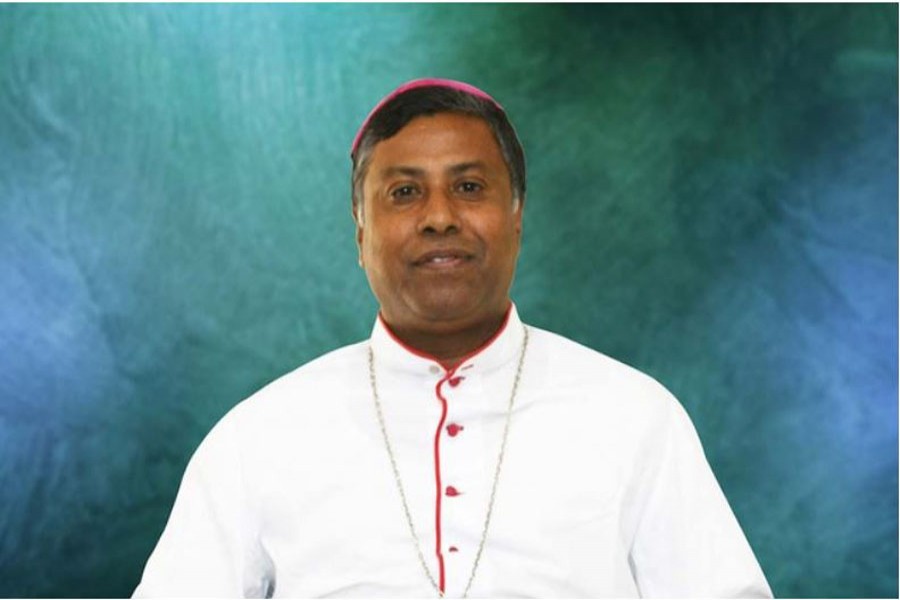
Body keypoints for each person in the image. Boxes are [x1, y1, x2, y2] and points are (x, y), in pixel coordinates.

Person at [133, 79, 772, 598]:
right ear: (360, 231)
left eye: (469, 187)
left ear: (517, 217)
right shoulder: (258, 437)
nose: (439, 217)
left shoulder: (636, 418)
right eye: (404, 192)